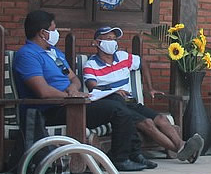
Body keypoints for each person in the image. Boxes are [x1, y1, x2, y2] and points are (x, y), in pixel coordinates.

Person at [13, 11, 146, 171]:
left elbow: (74, 79)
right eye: (54, 29)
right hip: (53, 110)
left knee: (117, 100)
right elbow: (43, 91)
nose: (56, 34)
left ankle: (134, 152)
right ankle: (120, 159)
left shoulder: (54, 53)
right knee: (118, 110)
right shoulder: (27, 55)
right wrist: (70, 96)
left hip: (72, 104)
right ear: (43, 33)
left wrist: (72, 89)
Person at [83, 26, 204, 163]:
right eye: (109, 39)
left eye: (115, 39)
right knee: (147, 123)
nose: (113, 42)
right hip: (114, 106)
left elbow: (143, 63)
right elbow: (92, 86)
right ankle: (183, 150)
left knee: (161, 119)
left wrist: (150, 88)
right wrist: (113, 91)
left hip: (131, 102)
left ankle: (182, 147)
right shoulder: (91, 64)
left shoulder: (123, 57)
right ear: (97, 43)